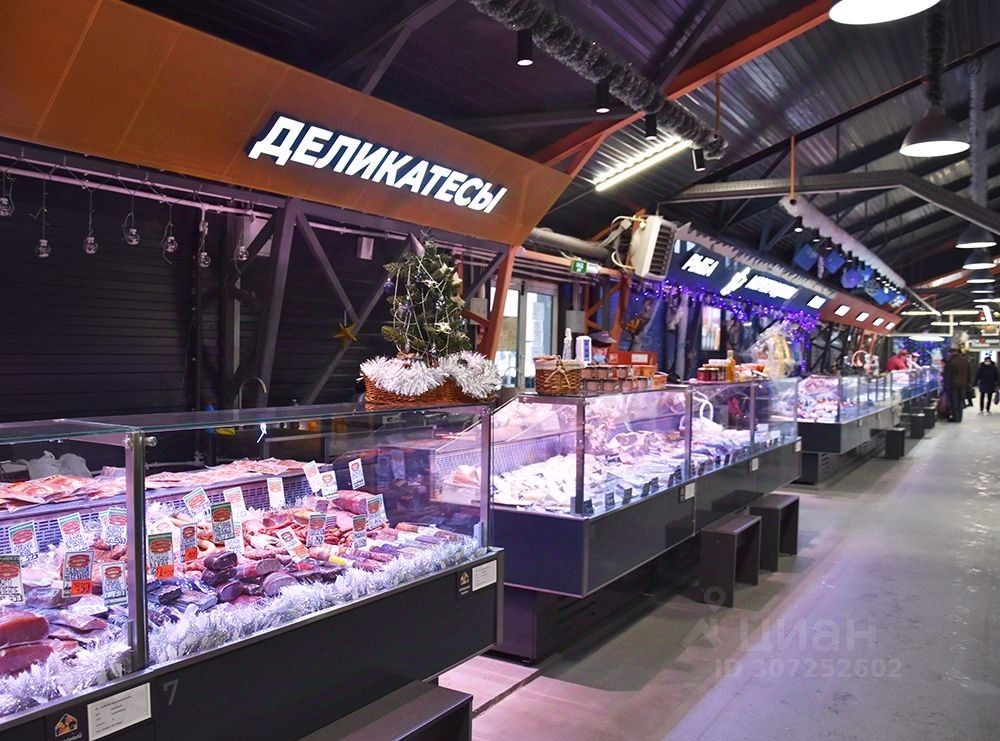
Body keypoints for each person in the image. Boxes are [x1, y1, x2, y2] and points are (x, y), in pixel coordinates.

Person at [943, 348, 972, 422]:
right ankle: (959, 417)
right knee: (960, 401)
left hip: (953, 385)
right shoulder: (965, 361)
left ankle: (955, 417)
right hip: (963, 385)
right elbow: (969, 374)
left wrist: (945, 385)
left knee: (954, 401)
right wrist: (968, 384)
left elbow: (947, 375)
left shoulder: (951, 362)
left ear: (951, 353)